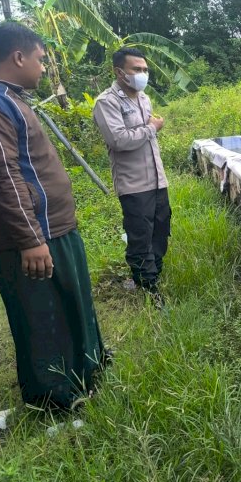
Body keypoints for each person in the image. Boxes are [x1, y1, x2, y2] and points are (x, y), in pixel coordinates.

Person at [0, 22, 106, 409]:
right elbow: (4, 174)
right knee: (43, 316)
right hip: (33, 235)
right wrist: (30, 239)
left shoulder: (11, 96)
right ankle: (55, 397)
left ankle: (86, 373)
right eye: (40, 59)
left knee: (73, 303)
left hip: (54, 228)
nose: (42, 68)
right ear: (18, 57)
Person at [92, 48, 170, 306]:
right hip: (134, 184)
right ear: (119, 72)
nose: (142, 74)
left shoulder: (144, 98)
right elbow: (119, 140)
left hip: (157, 179)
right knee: (140, 234)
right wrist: (151, 128)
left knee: (160, 228)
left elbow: (144, 134)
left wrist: (149, 127)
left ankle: (153, 274)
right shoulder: (107, 102)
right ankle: (147, 287)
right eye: (136, 69)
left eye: (145, 70)